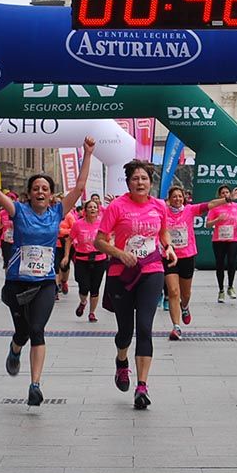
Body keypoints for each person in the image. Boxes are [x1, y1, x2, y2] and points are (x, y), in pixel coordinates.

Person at [0, 138, 95, 406]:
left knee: (37, 330)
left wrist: (87, 154)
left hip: (44, 284)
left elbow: (80, 186)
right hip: (17, 283)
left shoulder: (57, 212)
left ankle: (35, 385)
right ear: (29, 193)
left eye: (45, 188)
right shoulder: (19, 211)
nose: (40, 191)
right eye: (36, 188)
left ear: (51, 194)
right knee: (22, 332)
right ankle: (15, 350)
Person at [95, 160, 178, 410]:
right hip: (121, 273)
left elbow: (163, 232)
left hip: (151, 270)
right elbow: (99, 241)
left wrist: (169, 247)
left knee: (144, 327)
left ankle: (142, 387)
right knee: (124, 332)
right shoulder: (117, 207)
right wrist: (119, 253)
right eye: (135, 179)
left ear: (150, 182)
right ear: (128, 182)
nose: (140, 182)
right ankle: (122, 362)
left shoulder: (159, 206)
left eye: (144, 178)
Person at [162, 185, 237, 340]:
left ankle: (185, 306)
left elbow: (210, 204)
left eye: (180, 196)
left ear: (184, 198)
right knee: (173, 291)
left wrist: (227, 199)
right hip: (169, 256)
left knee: (185, 294)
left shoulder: (190, 210)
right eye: (174, 197)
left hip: (187, 255)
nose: (177, 199)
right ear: (169, 199)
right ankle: (176, 327)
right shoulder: (163, 212)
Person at [62, 199, 106, 322]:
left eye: (95, 207)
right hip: (82, 259)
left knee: (95, 288)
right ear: (85, 210)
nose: (92, 209)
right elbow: (69, 240)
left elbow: (108, 238)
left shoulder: (102, 224)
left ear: (98, 210)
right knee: (84, 286)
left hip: (99, 259)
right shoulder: (78, 224)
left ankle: (92, 313)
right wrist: (66, 256)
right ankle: (83, 302)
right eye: (90, 207)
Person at [206, 185, 237, 302]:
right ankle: (221, 290)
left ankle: (230, 286)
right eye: (223, 193)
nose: (226, 194)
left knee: (232, 262)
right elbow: (207, 224)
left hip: (233, 238)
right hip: (219, 239)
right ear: (219, 195)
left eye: (227, 192)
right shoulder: (215, 207)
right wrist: (217, 220)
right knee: (220, 264)